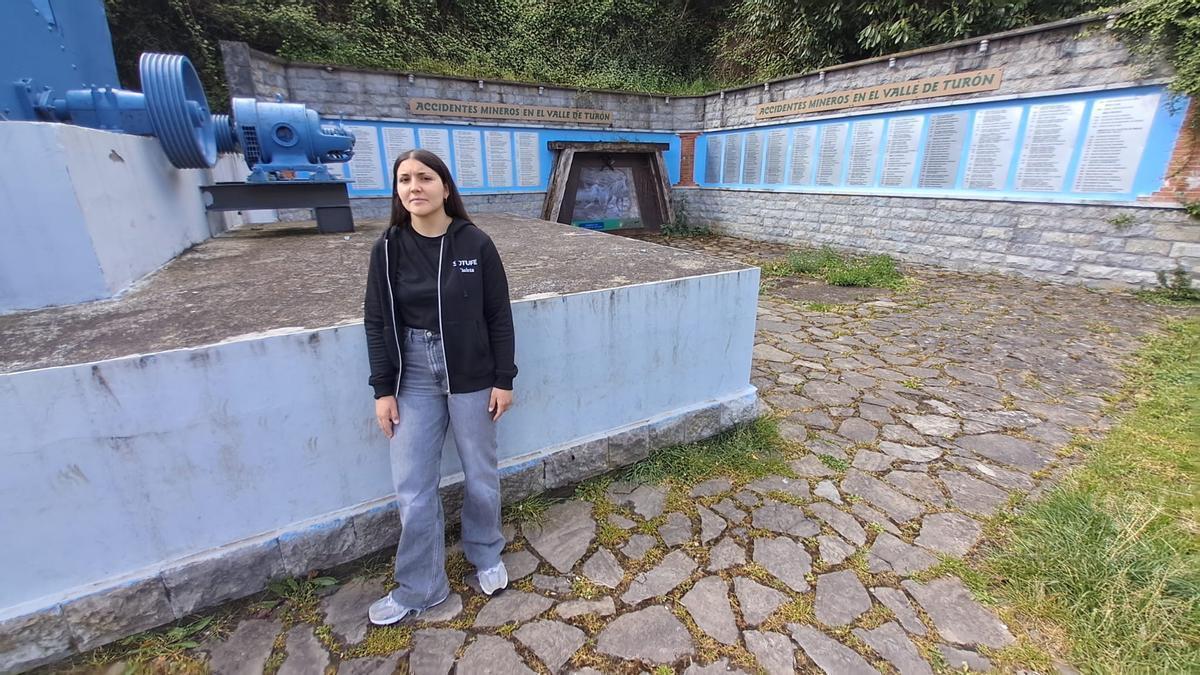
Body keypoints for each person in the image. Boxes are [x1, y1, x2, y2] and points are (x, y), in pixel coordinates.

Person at [363, 148, 517, 625]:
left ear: (445, 187)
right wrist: (382, 390)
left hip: (471, 372)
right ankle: (421, 586)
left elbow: (499, 315)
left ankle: (486, 553)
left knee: (481, 474)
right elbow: (375, 321)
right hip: (413, 374)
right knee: (412, 487)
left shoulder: (475, 244)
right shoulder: (388, 248)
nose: (414, 187)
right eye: (404, 179)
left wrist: (503, 378)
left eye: (424, 177)